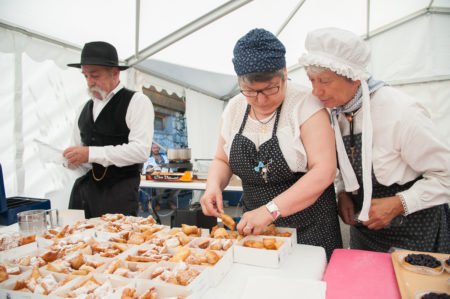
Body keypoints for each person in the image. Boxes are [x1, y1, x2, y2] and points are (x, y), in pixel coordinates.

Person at [299, 27, 450, 252]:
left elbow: (445, 174)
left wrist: (400, 203)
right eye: (312, 81)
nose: (316, 92)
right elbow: (346, 162)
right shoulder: (336, 113)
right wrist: (343, 192)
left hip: (416, 231)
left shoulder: (401, 112)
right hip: (366, 232)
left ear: (354, 79)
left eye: (324, 81)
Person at [200, 28, 343, 259]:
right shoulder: (235, 108)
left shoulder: (306, 104)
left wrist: (270, 210)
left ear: (285, 73)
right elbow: (221, 159)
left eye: (270, 89)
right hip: (255, 227)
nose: (261, 100)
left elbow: (324, 171)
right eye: (250, 91)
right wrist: (213, 186)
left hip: (310, 229)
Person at [63, 41, 154, 218]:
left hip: (118, 195)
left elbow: (140, 151)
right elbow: (81, 152)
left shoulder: (137, 102)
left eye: (95, 75)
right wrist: (73, 160)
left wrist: (90, 153)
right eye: (86, 76)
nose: (90, 82)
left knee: (115, 244)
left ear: (114, 73)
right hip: (84, 196)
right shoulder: (83, 108)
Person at [142, 142, 180, 211]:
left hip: (169, 176)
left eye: (157, 148)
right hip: (157, 178)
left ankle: (170, 201)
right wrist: (149, 169)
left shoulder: (165, 156)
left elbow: (172, 164)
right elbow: (145, 171)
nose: (156, 149)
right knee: (160, 186)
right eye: (154, 148)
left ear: (159, 148)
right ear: (151, 149)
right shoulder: (148, 158)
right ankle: (158, 203)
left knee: (179, 185)